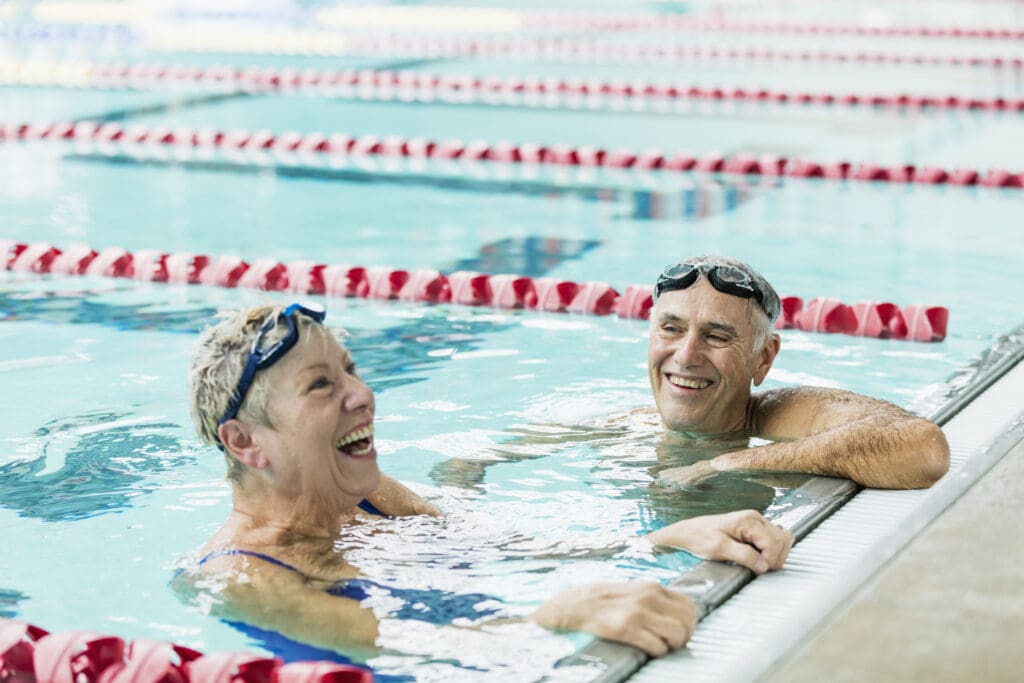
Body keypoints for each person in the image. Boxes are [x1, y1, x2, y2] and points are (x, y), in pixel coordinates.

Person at [177, 302, 793, 667]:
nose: (362, 396)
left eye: (351, 371)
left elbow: (497, 542)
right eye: (321, 386)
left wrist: (669, 537)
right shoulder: (238, 575)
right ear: (245, 442)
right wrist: (548, 621)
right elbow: (408, 643)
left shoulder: (363, 493)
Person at [648, 255, 950, 490]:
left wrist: (724, 464)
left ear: (763, 358)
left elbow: (924, 447)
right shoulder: (628, 426)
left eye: (717, 336)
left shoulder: (778, 416)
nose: (686, 356)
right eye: (671, 329)